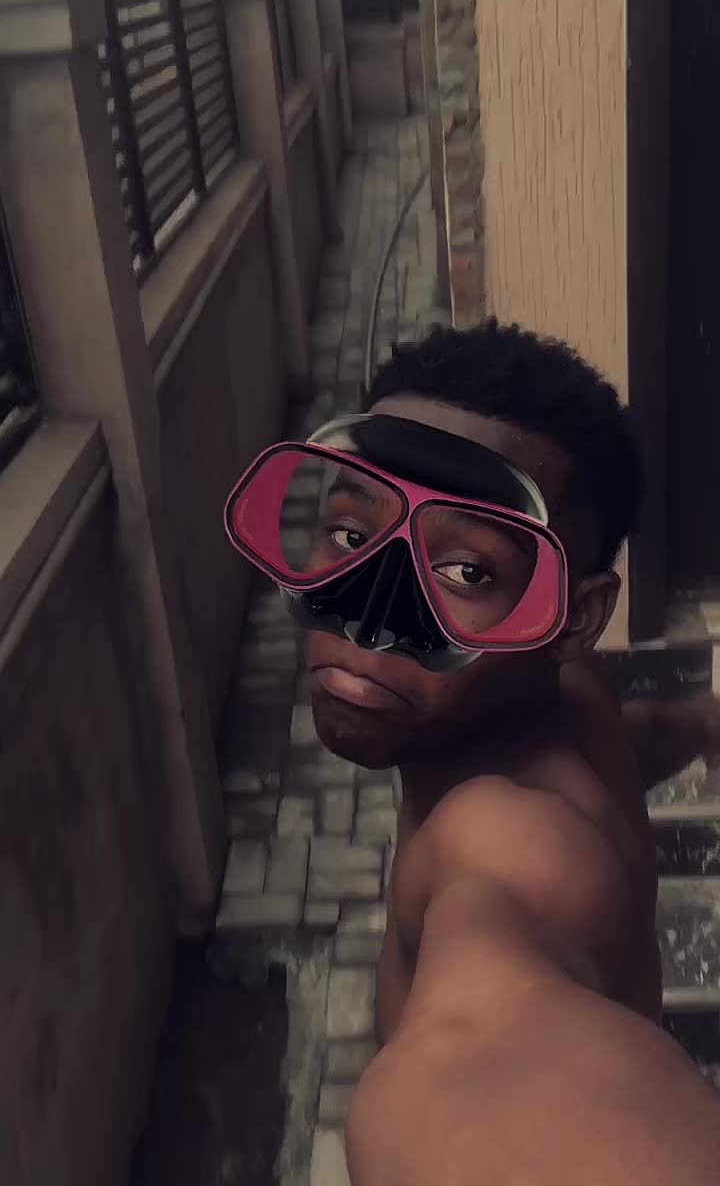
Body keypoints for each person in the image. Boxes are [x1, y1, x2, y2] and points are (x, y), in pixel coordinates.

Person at [224, 321, 720, 1182]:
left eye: (465, 572)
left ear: (573, 619)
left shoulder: (502, 849)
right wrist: (707, 722)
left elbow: (490, 1058)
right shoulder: (571, 694)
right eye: (351, 536)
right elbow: (636, 742)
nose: (367, 612)